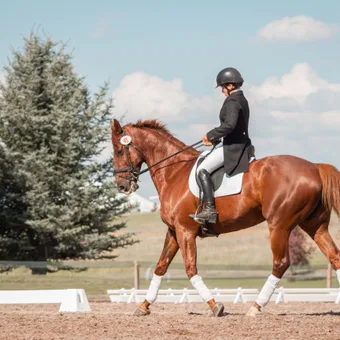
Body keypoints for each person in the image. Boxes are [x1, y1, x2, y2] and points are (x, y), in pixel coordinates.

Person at [195, 67, 252, 224]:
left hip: (233, 147)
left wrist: (211, 135)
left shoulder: (233, 101)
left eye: (222, 87)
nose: (221, 91)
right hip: (238, 142)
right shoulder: (242, 99)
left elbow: (229, 125)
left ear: (230, 86)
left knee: (202, 170)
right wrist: (214, 139)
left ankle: (210, 210)